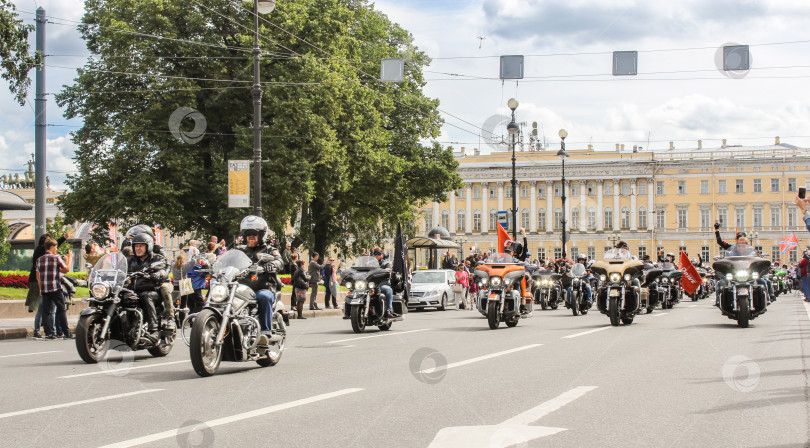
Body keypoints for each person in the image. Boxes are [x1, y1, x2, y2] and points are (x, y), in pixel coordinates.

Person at [234, 216, 284, 336]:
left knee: (263, 296)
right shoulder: (239, 250)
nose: (251, 237)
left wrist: (272, 264)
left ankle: (265, 333)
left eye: (254, 234)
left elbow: (280, 261)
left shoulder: (269, 249)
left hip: (263, 287)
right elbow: (227, 261)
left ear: (261, 236)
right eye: (248, 234)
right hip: (241, 289)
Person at [127, 230, 169, 342]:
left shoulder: (157, 258)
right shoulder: (130, 260)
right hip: (135, 290)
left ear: (148, 246)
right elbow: (119, 269)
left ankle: (154, 330)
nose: (138, 248)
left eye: (141, 246)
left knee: (146, 296)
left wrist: (154, 275)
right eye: (136, 246)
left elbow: (163, 270)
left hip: (152, 289)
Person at [28, 232, 68, 339]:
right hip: (46, 284)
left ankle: (49, 331)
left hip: (41, 283)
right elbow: (66, 269)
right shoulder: (44, 253)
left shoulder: (39, 255)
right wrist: (63, 238)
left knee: (46, 309)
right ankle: (47, 331)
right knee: (47, 309)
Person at [36, 238, 73, 340]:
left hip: (45, 289)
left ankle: (49, 334)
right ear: (52, 247)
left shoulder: (39, 259)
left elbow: (38, 276)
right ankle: (66, 332)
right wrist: (69, 258)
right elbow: (66, 269)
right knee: (61, 310)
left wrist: (40, 289)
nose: (56, 249)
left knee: (46, 311)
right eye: (56, 247)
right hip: (55, 287)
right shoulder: (56, 258)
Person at [372, 249, 398, 318]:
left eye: (378, 254)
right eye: (375, 253)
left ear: (382, 255)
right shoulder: (369, 264)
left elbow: (388, 272)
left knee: (388, 290)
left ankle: (388, 310)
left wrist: (387, 272)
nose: (377, 255)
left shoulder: (386, 264)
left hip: (382, 284)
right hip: (370, 285)